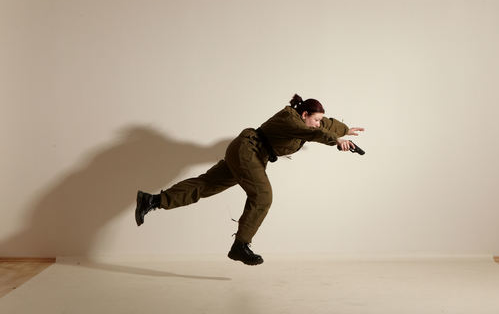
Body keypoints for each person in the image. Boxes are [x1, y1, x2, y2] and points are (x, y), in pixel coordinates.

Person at [135, 94, 364, 266]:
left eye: (319, 120)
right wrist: (335, 141)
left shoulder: (310, 121)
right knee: (263, 196)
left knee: (207, 185)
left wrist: (345, 130)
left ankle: (152, 201)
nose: (318, 123)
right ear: (304, 115)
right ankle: (240, 245)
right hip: (248, 149)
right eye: (315, 119)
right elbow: (317, 133)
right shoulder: (289, 118)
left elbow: (326, 125)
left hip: (251, 153)